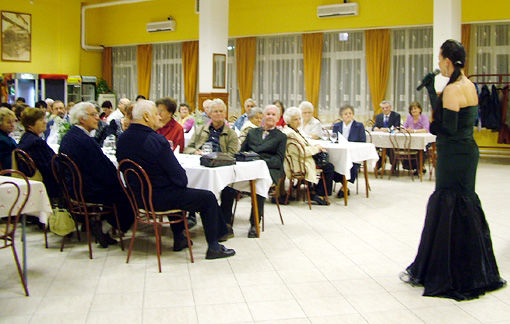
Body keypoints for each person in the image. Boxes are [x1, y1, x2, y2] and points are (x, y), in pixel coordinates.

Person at [401, 39, 505, 300]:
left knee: (449, 204)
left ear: (447, 61)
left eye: (439, 59)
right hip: (467, 151)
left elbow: (444, 126)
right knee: (465, 204)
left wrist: (431, 126)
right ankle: (472, 269)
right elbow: (454, 118)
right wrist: (430, 92)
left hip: (452, 153)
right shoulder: (468, 85)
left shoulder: (452, 89)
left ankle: (450, 273)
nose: (438, 64)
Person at [116, 100, 235, 259]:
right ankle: (214, 246)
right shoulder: (156, 140)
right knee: (207, 197)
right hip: (158, 199)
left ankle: (179, 238)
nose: (159, 118)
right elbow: (179, 177)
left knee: (174, 189)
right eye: (155, 114)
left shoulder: (123, 139)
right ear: (146, 116)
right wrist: (179, 182)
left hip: (136, 197)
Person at [59, 102, 134, 248]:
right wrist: (119, 181)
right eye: (93, 115)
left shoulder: (71, 136)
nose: (98, 118)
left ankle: (96, 224)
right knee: (127, 194)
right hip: (85, 190)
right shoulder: (84, 140)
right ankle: (105, 228)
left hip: (73, 188)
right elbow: (102, 170)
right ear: (82, 119)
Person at [238, 104, 287, 237]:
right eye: (268, 114)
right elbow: (241, 152)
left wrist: (260, 162)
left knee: (259, 184)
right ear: (263, 116)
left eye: (273, 114)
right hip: (249, 168)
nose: (270, 117)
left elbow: (278, 160)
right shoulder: (253, 132)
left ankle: (255, 224)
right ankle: (225, 223)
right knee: (229, 183)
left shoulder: (281, 137)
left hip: (269, 170)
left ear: (278, 118)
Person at [282, 107, 333, 206]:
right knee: (329, 167)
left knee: (328, 164)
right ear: (289, 121)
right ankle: (320, 194)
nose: (299, 121)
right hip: (299, 163)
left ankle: (316, 190)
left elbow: (307, 142)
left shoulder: (296, 131)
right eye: (295, 119)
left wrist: (316, 146)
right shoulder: (289, 134)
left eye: (299, 118)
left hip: (302, 159)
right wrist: (317, 149)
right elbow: (302, 152)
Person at [17, 108, 59, 198]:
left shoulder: (25, 137)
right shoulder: (36, 142)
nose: (45, 122)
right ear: (30, 124)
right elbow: (49, 167)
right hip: (46, 184)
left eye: (44, 119)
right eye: (40, 120)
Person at [332, 104, 367, 197]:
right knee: (333, 162)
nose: (348, 115)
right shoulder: (337, 126)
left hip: (353, 153)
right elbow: (334, 139)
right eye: (346, 114)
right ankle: (342, 185)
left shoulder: (359, 126)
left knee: (351, 163)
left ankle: (345, 187)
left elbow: (363, 141)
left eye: (350, 113)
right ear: (341, 116)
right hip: (340, 152)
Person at [403, 101, 430, 174]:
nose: (413, 111)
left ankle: (420, 166)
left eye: (415, 108)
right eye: (412, 109)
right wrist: (405, 130)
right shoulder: (409, 118)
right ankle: (410, 165)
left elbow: (425, 130)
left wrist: (414, 131)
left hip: (424, 140)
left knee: (420, 147)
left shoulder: (424, 117)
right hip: (411, 141)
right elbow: (403, 127)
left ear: (420, 109)